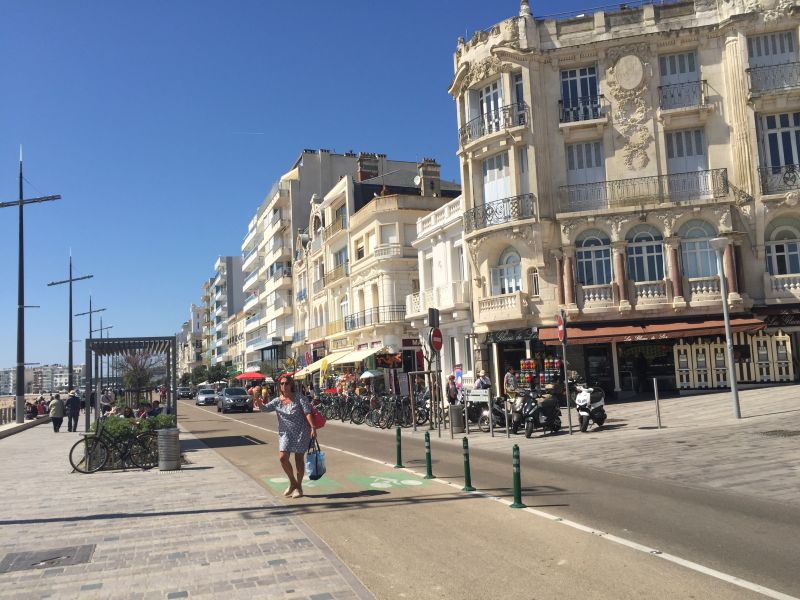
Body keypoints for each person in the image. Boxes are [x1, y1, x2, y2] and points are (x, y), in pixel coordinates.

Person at [260, 376, 316, 499]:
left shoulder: (299, 397)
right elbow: (264, 408)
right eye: (281, 383)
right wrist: (257, 400)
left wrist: (313, 427)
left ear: (291, 385)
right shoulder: (277, 401)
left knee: (298, 460)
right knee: (282, 458)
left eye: (286, 383)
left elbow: (307, 412)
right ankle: (293, 482)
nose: (284, 386)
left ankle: (299, 487)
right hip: (285, 433)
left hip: (301, 432)